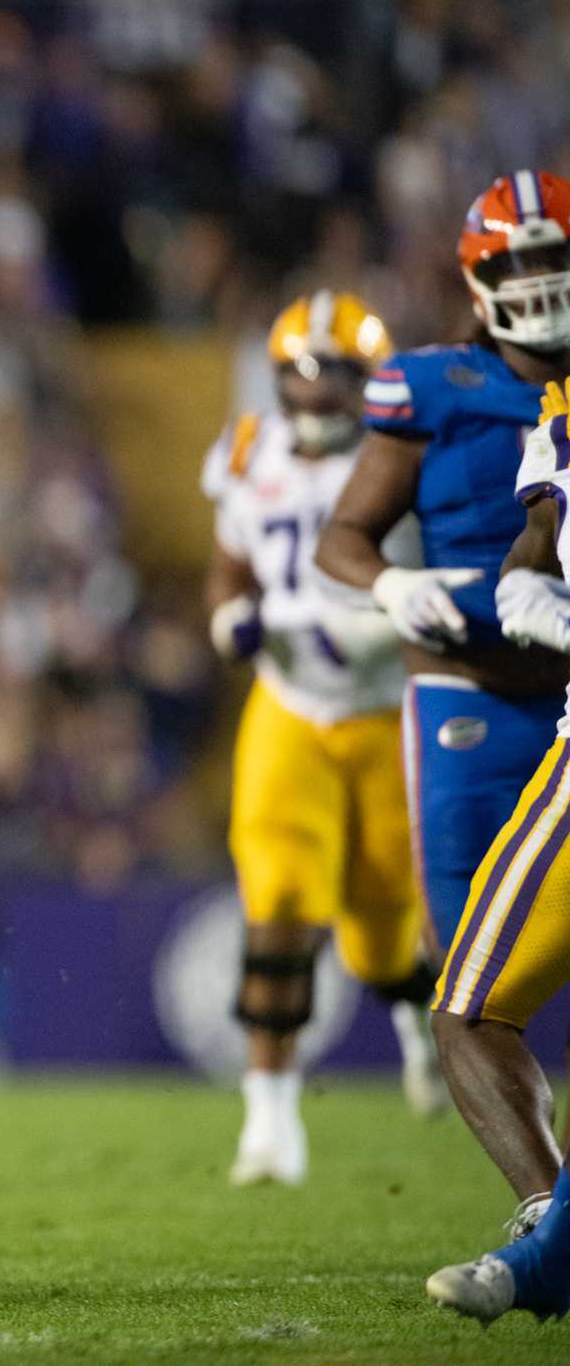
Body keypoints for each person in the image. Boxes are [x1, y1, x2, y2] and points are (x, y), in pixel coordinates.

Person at [318, 171, 570, 1236]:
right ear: (478, 281)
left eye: (552, 257)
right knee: (467, 964)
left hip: (565, 699)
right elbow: (343, 536)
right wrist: (387, 583)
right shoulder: (431, 386)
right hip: (463, 696)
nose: (540, 282)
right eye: (518, 263)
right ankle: (543, 1207)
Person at [203, 291, 444, 1187]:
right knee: (278, 903)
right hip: (289, 704)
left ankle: (416, 1021)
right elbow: (229, 562)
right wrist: (230, 613)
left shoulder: (411, 455)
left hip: (384, 704)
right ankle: (270, 1118)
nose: (314, 394)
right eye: (300, 374)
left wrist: (377, 629)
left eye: (336, 375)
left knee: (383, 929)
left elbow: (442, 587)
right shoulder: (244, 450)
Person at [427, 378, 570, 1324]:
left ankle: (554, 1254)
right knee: (468, 1010)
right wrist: (528, 588)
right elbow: (535, 549)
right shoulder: (559, 415)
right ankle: (551, 1225)